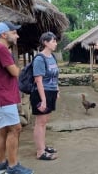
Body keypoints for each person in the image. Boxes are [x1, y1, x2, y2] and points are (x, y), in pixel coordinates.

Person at [0, 21, 33, 174]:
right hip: (3, 97)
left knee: (2, 129)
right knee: (15, 129)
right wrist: (24, 70)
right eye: (14, 33)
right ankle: (13, 166)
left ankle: (0, 165)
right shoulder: (1, 49)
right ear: (4, 34)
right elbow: (15, 72)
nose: (17, 35)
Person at [30, 32, 60, 160]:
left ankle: (42, 146)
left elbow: (55, 75)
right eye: (53, 41)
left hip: (51, 92)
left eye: (55, 41)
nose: (55, 43)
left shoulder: (52, 57)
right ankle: (40, 151)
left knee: (44, 121)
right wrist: (43, 100)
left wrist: (57, 90)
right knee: (40, 122)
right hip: (41, 93)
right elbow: (38, 80)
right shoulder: (39, 59)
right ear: (45, 42)